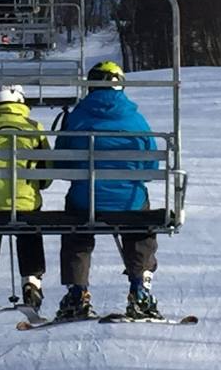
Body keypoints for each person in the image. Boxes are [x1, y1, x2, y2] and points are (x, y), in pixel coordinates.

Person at [52, 61, 162, 320]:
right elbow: (151, 166)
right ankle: (140, 289)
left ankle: (77, 292)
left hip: (85, 201)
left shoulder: (77, 116)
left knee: (76, 234)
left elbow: (61, 163)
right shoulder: (135, 118)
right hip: (129, 202)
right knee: (139, 230)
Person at [0, 84, 51, 313]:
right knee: (31, 222)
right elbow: (47, 174)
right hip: (27, 204)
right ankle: (32, 282)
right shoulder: (35, 128)